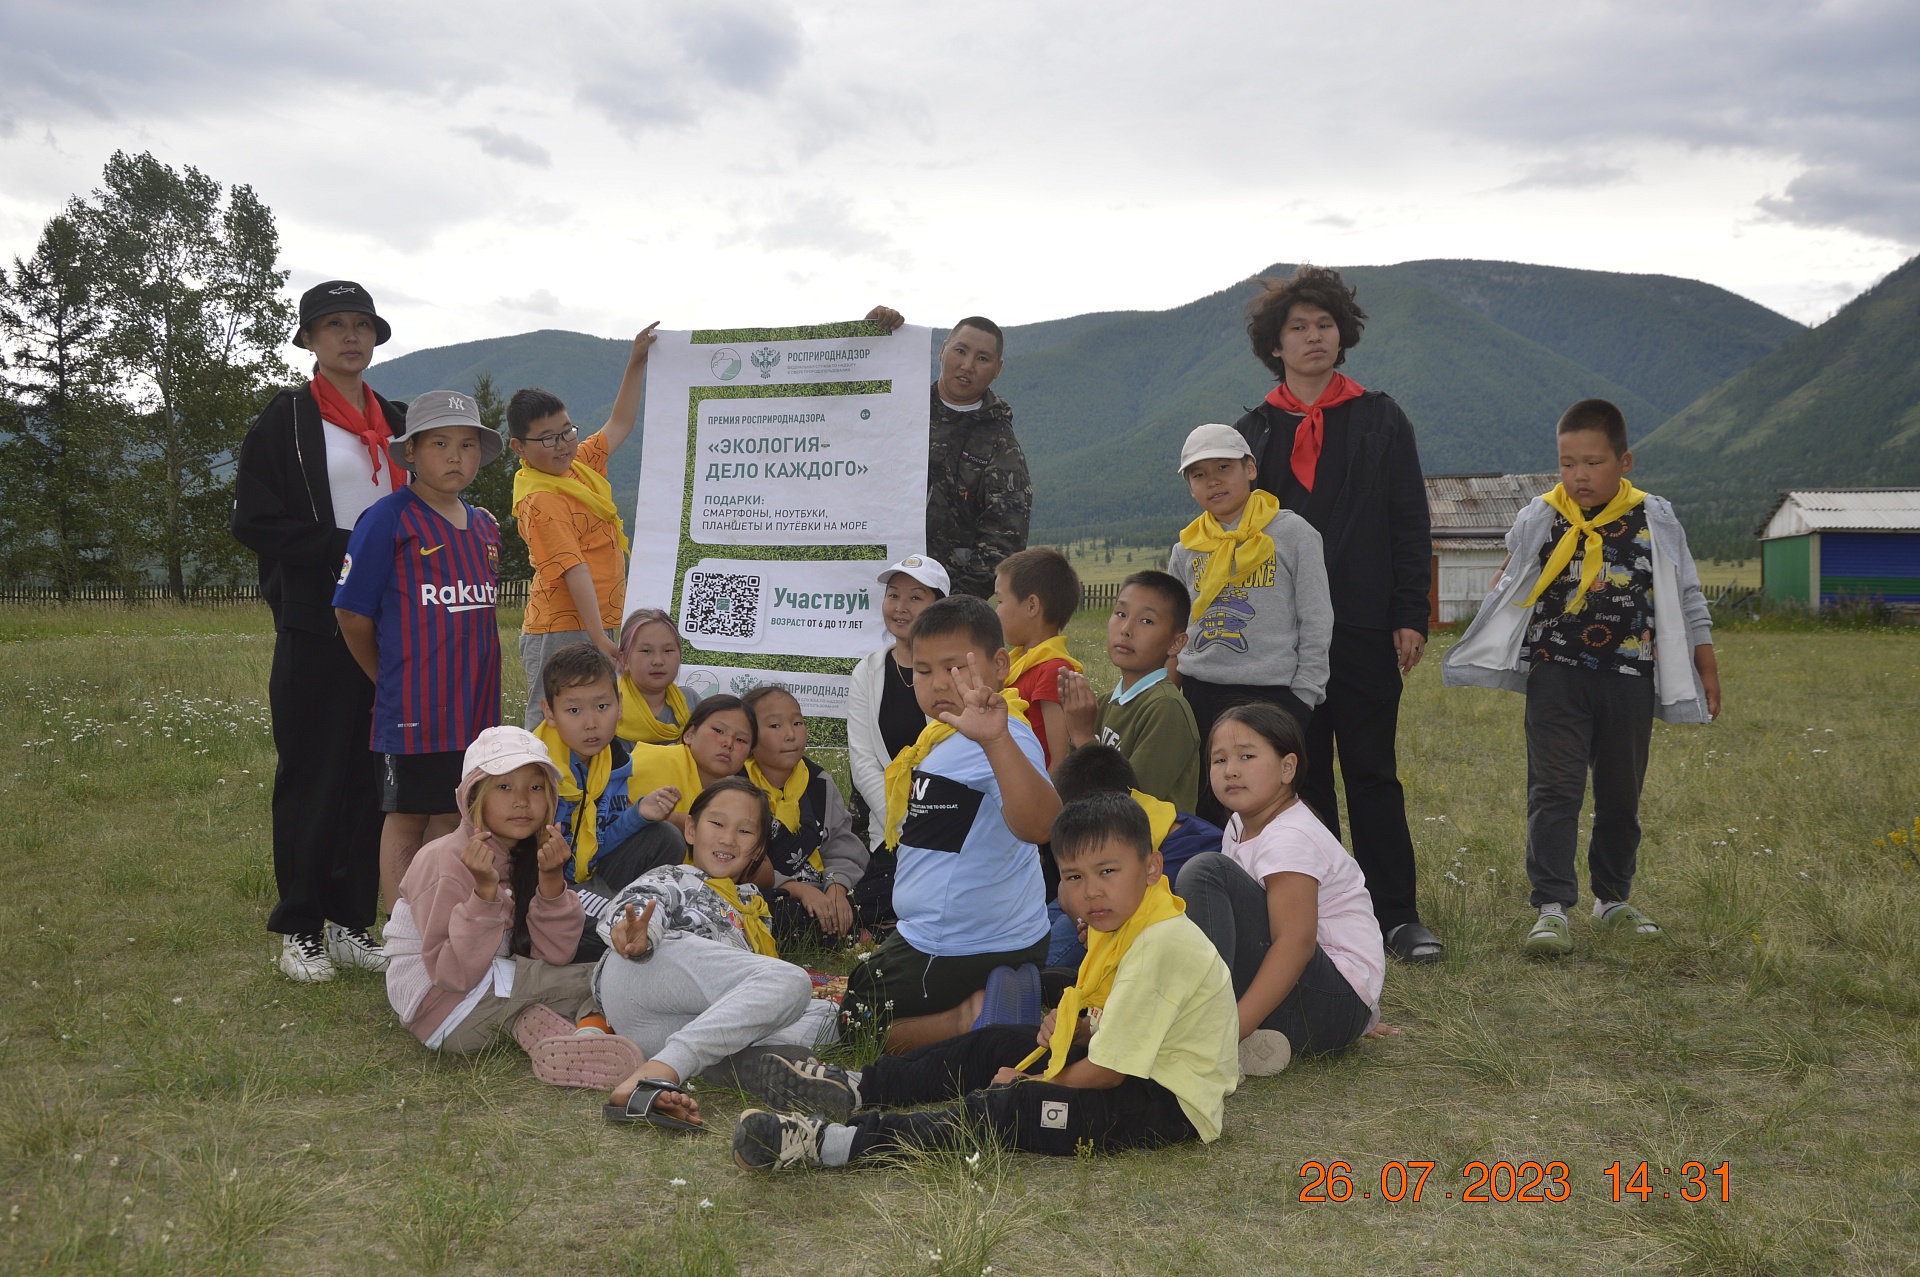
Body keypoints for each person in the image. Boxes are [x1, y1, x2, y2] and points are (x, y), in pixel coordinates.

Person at [729, 793, 1239, 1170]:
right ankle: (861, 1086)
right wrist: (1078, 1031)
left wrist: (1035, 1082)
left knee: (1011, 1106)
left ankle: (833, 1143)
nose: (1091, 892)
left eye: (1108, 871)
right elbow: (1121, 1024)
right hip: (1135, 1066)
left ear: (1152, 868)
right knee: (994, 1041)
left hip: (1167, 1104)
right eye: (1075, 876)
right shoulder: (1128, 923)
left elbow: (1107, 1073)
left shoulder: (1160, 941)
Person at [1442, 399, 1721, 957]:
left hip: (1628, 678)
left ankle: (1612, 898)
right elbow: (1511, 577)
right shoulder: (1540, 516)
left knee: (1621, 793)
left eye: (1592, 463)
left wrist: (1705, 663)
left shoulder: (1654, 517)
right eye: (1567, 463)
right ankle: (1550, 906)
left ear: (1625, 461)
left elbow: (1688, 594)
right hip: (1557, 677)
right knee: (1554, 789)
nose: (1578, 475)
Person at [1231, 266, 1441, 964]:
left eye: (1324, 325)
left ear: (1341, 335)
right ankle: (1310, 920)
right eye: (1298, 327)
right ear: (1276, 343)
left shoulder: (1382, 416)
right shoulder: (1251, 432)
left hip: (1363, 625)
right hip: (1278, 639)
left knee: (1373, 770)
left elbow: (1410, 520)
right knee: (1300, 775)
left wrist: (1411, 611)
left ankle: (1398, 915)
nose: (1313, 337)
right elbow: (1228, 538)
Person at [232, 280, 403, 982]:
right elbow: (254, 520)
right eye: (333, 324)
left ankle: (348, 921)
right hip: (316, 620)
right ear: (308, 338)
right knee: (313, 772)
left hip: (392, 624)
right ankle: (299, 926)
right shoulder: (286, 420)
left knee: (374, 775)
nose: (351, 336)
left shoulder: (394, 418)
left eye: (361, 324)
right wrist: (353, 549)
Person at [839, 596, 1060, 1053]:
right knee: (866, 975)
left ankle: (972, 1016)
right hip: (975, 938)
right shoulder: (943, 738)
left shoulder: (1004, 733)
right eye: (923, 671)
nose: (939, 683)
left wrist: (996, 739)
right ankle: (1001, 996)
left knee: (852, 1017)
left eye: (954, 668)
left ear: (1000, 664)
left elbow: (1042, 825)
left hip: (958, 945)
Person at [380, 727, 644, 1088]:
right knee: (602, 977)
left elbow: (552, 954)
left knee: (581, 976)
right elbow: (451, 974)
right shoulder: (444, 859)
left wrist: (551, 883)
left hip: (486, 991)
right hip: (448, 1006)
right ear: (473, 796)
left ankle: (537, 1027)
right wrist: (484, 895)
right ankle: (588, 1036)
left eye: (536, 788)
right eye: (504, 787)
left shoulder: (525, 853)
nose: (522, 800)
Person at [333, 391, 503, 923]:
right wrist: (384, 679)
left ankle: (441, 922)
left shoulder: (485, 526)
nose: (456, 456)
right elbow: (351, 614)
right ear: (411, 454)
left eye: (468, 445)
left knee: (452, 818)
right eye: (439, 444)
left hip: (474, 710)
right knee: (407, 817)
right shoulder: (387, 519)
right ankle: (403, 933)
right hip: (412, 708)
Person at [596, 778, 840, 1129]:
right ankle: (661, 1070)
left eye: (745, 831)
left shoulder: (750, 905)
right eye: (717, 823)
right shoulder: (676, 875)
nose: (728, 839)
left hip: (672, 1027)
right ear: (691, 830)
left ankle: (727, 1066)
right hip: (642, 973)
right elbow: (645, 899)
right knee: (790, 980)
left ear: (757, 850)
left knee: (831, 1014)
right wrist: (638, 933)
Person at [1179, 704, 1386, 1077]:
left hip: (1330, 1004)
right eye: (1219, 759)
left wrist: (1223, 1036)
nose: (1231, 770)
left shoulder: (1290, 836)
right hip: (1318, 1001)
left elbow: (1295, 944)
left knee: (1205, 872)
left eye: (1246, 756)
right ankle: (1246, 1035)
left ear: (1287, 769)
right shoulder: (1239, 824)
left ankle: (1214, 1033)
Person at [1168, 423, 1332, 826]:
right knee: (1212, 805)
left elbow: (1316, 620)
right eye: (1198, 474)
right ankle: (1216, 885)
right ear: (1190, 485)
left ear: (1250, 469)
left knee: (1283, 810)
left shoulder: (1292, 534)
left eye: (1223, 467)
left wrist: (1302, 699)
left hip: (1274, 694)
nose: (1212, 481)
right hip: (1201, 693)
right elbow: (1174, 631)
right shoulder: (1186, 548)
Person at [510, 325, 659, 729]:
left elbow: (620, 423)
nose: (561, 444)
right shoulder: (540, 499)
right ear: (519, 448)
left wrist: (636, 362)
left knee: (597, 720)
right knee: (553, 721)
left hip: (600, 618)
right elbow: (573, 568)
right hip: (562, 626)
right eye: (546, 438)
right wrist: (598, 636)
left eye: (566, 432)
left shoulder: (579, 467)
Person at [529, 643, 688, 958]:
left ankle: (630, 917)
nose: (590, 723)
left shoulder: (614, 761)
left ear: (620, 703)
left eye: (602, 707)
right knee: (609, 918)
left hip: (589, 874)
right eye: (574, 710)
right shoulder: (536, 770)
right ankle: (622, 926)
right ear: (549, 713)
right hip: (544, 888)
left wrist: (639, 813)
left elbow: (601, 839)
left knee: (666, 837)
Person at [863, 307, 1031, 599]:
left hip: (943, 599)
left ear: (997, 369)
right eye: (960, 351)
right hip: (871, 582)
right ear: (942, 351)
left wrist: (955, 605)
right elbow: (840, 412)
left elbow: (1005, 537)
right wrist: (867, 337)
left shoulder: (999, 442)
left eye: (982, 358)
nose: (967, 365)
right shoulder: (898, 407)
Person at [1046, 743, 1224, 968]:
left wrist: (1086, 923)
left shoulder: (1183, 860)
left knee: (1046, 960)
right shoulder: (1155, 816)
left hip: (1144, 944)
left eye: (1108, 871)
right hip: (1110, 914)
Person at [1059, 569, 1201, 812]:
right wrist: (1072, 722)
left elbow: (1126, 809)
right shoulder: (1103, 705)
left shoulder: (1166, 709)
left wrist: (1083, 735)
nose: (1126, 629)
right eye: (1120, 613)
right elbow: (1071, 790)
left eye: (1146, 621)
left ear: (1176, 643)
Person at [740, 685, 873, 944]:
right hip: (772, 891)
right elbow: (738, 862)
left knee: (888, 885)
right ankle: (844, 929)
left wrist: (837, 888)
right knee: (757, 909)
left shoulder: (819, 783)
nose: (791, 734)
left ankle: (834, 921)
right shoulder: (737, 787)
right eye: (775, 726)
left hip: (823, 887)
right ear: (750, 738)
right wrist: (796, 890)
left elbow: (841, 846)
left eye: (798, 722)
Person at [993, 546, 1083, 770]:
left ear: (1031, 605)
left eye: (1000, 601)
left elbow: (1059, 758)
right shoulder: (1016, 663)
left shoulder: (1053, 671)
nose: (996, 611)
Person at [625, 694, 757, 831]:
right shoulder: (658, 759)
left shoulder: (739, 798)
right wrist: (676, 821)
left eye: (741, 740)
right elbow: (612, 812)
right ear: (689, 735)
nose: (729, 743)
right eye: (718, 730)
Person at [612, 607, 702, 747]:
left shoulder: (690, 700)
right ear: (624, 659)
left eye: (668, 650)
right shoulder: (611, 704)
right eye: (646, 651)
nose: (658, 661)